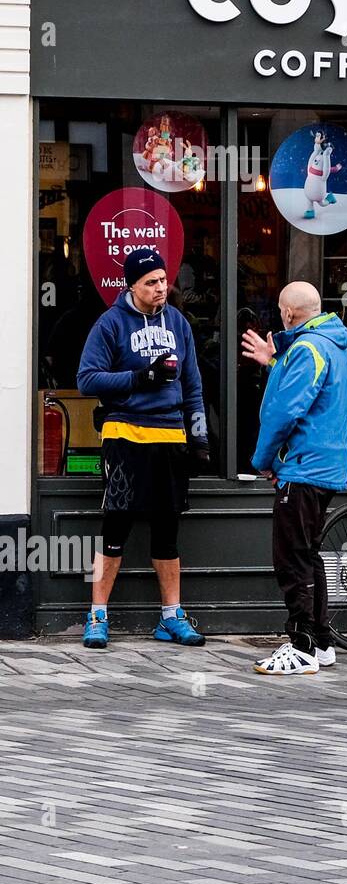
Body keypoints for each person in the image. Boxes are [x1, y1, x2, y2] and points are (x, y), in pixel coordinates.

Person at [76, 247, 210, 648]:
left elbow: (193, 385)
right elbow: (87, 380)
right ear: (131, 284)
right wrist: (140, 377)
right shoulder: (110, 324)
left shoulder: (180, 324)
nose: (160, 288)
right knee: (115, 529)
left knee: (167, 532)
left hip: (170, 436)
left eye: (163, 280)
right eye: (150, 282)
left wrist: (199, 435)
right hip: (125, 435)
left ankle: (171, 617)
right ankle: (97, 615)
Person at [241, 282, 347, 676]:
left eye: (280, 310)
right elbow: (306, 397)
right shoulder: (332, 347)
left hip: (304, 468)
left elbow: (284, 411)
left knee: (291, 560)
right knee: (307, 555)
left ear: (288, 314)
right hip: (323, 468)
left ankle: (302, 645)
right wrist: (275, 363)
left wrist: (262, 459)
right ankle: (321, 643)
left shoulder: (308, 350)